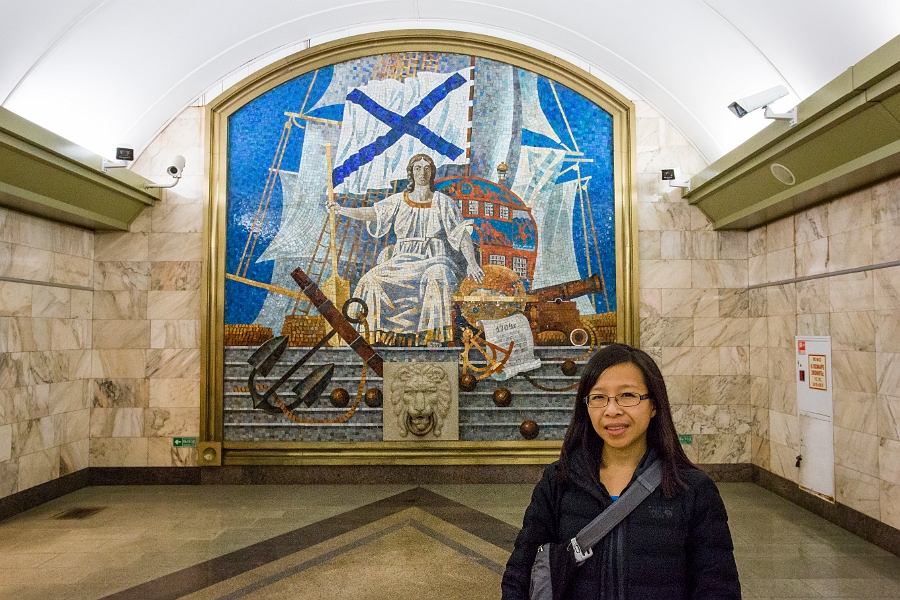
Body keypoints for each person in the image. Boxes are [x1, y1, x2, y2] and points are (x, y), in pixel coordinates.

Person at [501, 343, 741, 599]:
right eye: (598, 397)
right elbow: (520, 573)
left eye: (628, 395)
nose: (612, 410)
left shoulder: (692, 489)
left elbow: (717, 587)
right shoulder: (560, 481)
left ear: (654, 405)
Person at [330, 153, 484, 346]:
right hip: (401, 261)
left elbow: (461, 234)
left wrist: (472, 263)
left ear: (432, 173)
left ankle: (432, 336)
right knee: (370, 280)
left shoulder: (443, 202)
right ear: (411, 173)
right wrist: (342, 210)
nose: (422, 172)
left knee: (438, 275)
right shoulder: (398, 201)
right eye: (417, 168)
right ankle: (370, 336)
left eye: (427, 168)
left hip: (434, 258)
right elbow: (372, 213)